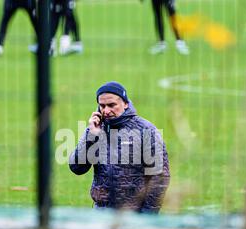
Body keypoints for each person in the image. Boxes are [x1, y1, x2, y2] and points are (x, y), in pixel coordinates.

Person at [69, 82, 170, 213]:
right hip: (101, 212)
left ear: (126, 104)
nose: (106, 111)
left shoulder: (146, 130)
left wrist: (148, 215)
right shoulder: (95, 129)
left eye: (111, 105)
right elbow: (77, 168)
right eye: (102, 106)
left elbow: (159, 177)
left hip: (134, 214)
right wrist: (91, 136)